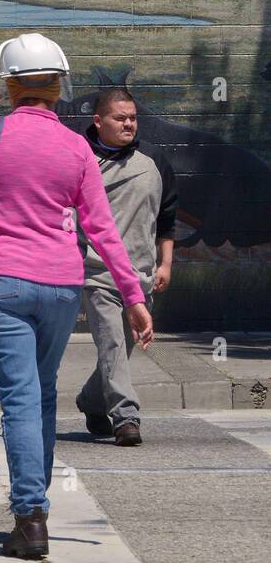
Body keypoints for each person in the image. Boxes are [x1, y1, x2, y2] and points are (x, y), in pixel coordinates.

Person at [0, 34, 153, 560]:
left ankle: (30, 517)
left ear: (8, 86)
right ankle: (38, 510)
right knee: (44, 394)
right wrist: (133, 296)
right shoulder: (78, 146)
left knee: (19, 400)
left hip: (2, 283)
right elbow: (102, 230)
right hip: (60, 286)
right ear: (58, 87)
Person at [74, 87, 177, 447]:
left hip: (141, 275)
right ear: (98, 121)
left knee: (119, 350)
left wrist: (165, 262)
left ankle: (90, 399)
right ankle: (126, 418)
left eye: (132, 117)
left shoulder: (153, 160)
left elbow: (166, 217)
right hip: (97, 272)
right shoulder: (79, 157)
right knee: (113, 344)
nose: (129, 123)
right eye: (120, 118)